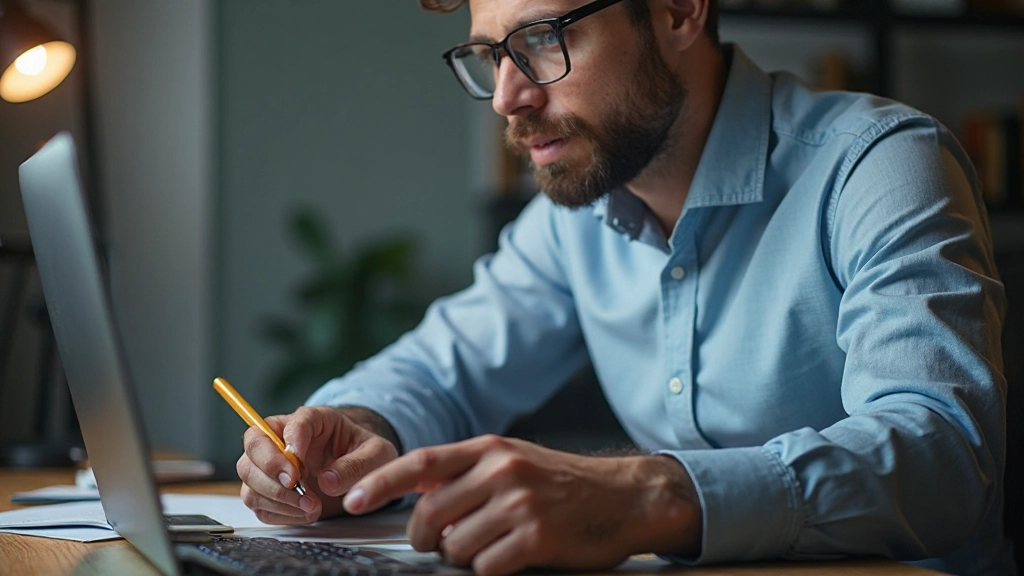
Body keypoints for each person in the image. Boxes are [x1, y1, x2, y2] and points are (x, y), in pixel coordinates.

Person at [235, 0, 1017, 575]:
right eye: (490, 56)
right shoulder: (579, 208)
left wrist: (645, 493)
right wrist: (349, 433)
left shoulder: (876, 163)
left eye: (543, 40)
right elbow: (442, 367)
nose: (508, 95)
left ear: (678, 11)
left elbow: (943, 456)